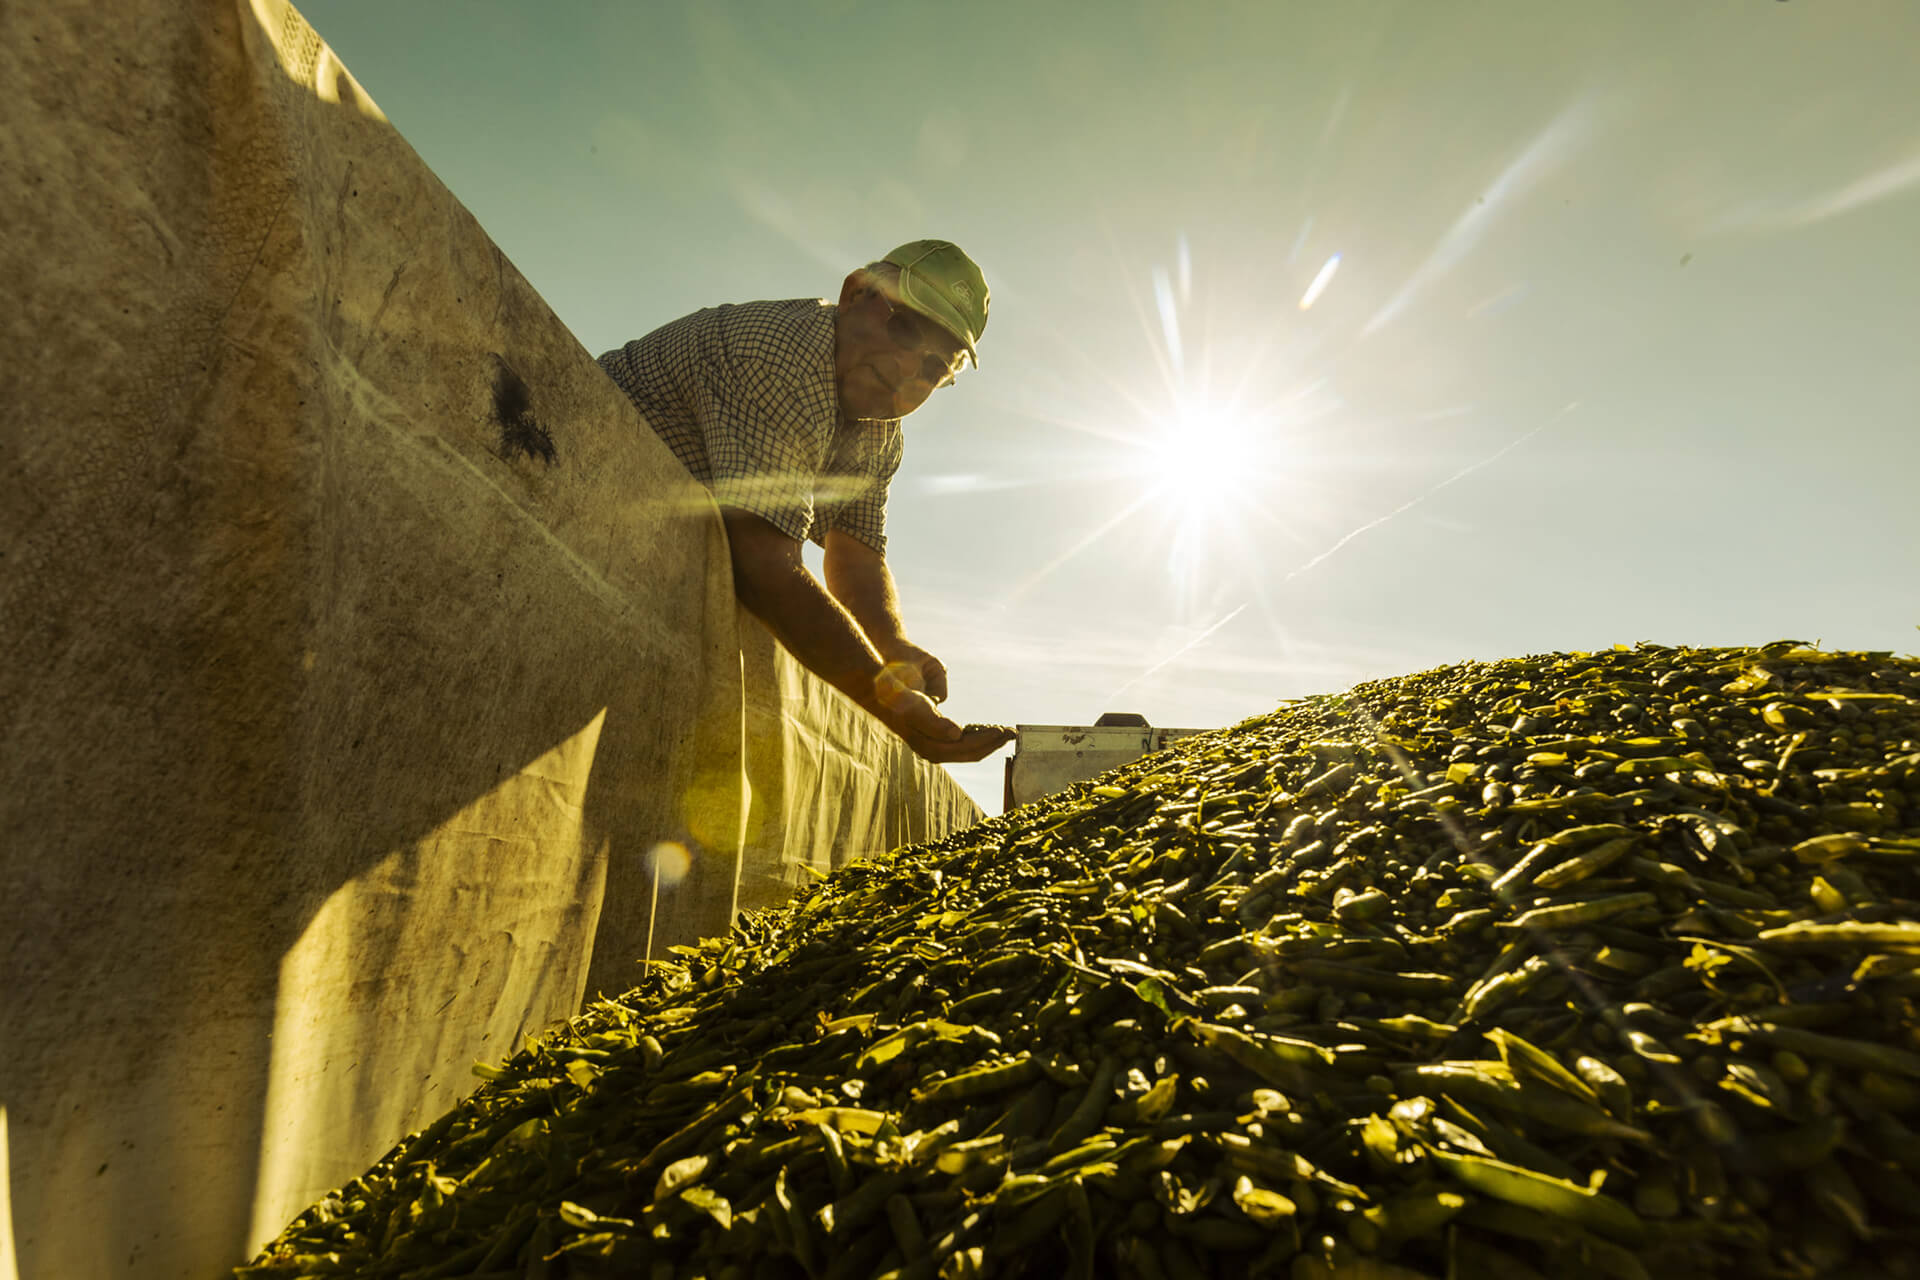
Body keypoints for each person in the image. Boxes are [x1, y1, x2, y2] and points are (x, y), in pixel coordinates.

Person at [598, 239, 1014, 764]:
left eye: (935, 368)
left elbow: (857, 553)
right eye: (904, 327)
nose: (910, 369)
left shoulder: (881, 432)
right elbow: (765, 565)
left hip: (646, 564)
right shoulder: (777, 356)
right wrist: (888, 702)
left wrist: (894, 649)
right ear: (854, 293)